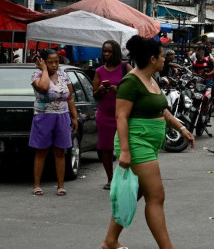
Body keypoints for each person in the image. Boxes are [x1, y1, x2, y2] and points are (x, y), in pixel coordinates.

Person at [102, 35, 195, 249]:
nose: (166, 60)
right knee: (157, 196)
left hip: (149, 144)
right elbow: (121, 117)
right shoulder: (130, 81)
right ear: (152, 59)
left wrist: (182, 128)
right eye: (163, 57)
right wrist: (125, 151)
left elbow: (161, 109)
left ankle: (110, 241)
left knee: (136, 192)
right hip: (136, 143)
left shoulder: (151, 79)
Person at [30, 49, 79, 196]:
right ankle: (37, 185)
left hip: (62, 116)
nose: (54, 65)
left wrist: (74, 117)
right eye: (50, 62)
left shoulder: (64, 76)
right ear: (43, 62)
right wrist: (44, 70)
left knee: (60, 151)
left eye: (56, 62)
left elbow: (70, 97)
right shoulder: (36, 75)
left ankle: (61, 185)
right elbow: (44, 87)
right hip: (43, 116)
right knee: (41, 151)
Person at [92, 40, 131, 190]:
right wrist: (101, 90)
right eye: (104, 51)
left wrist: (118, 89)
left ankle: (127, 177)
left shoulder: (125, 67)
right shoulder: (99, 71)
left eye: (109, 51)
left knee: (126, 146)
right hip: (105, 114)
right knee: (105, 148)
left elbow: (136, 84)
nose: (106, 54)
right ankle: (110, 179)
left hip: (123, 114)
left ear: (116, 52)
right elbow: (94, 95)